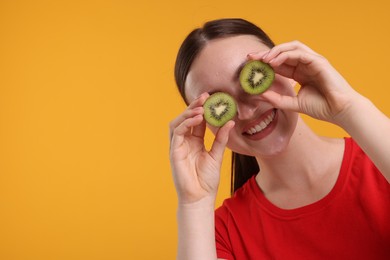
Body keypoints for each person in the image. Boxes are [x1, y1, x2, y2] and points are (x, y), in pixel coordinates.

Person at [169, 18, 390, 260]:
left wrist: (349, 108)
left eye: (251, 79)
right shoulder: (222, 234)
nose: (246, 112)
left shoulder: (378, 155)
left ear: (288, 68)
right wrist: (194, 202)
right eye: (220, 104)